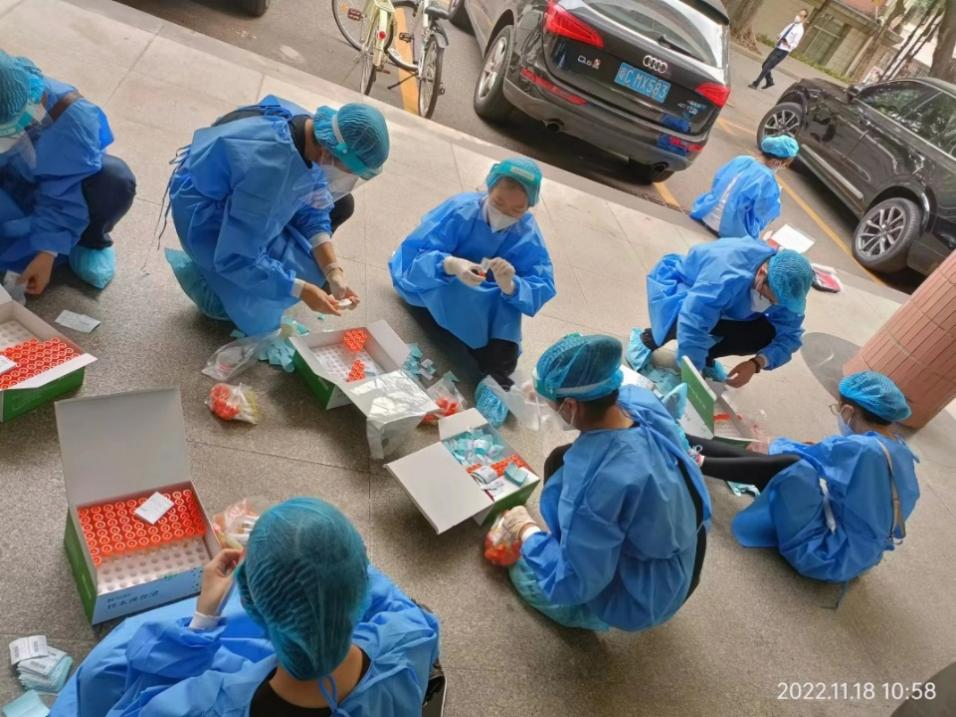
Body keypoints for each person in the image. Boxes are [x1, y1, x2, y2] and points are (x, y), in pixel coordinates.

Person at [52, 497, 441, 716]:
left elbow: (130, 696)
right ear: (358, 585)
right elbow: (384, 594)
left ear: (250, 603)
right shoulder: (409, 639)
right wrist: (320, 562)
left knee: (106, 666)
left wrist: (202, 619)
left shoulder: (201, 705)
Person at [495, 334, 710, 631]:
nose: (546, 407)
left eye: (549, 403)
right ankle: (583, 544)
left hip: (647, 594)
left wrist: (525, 530)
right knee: (560, 459)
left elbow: (574, 581)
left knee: (537, 579)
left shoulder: (599, 484)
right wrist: (543, 391)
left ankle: (597, 609)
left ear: (571, 406)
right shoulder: (637, 400)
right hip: (688, 547)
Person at [167, 98, 388, 336]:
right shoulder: (272, 173)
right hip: (204, 221)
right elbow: (237, 255)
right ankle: (214, 291)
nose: (346, 177)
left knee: (339, 211)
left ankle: (257, 280)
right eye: (349, 171)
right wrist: (300, 289)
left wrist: (333, 270)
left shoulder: (311, 130)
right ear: (329, 153)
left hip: (231, 193)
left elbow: (313, 205)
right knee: (297, 275)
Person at [689, 372, 919, 583]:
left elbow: (801, 455)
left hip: (826, 553)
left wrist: (771, 443)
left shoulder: (863, 449)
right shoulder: (899, 451)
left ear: (848, 412)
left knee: (790, 467)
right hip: (858, 555)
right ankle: (689, 445)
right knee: (790, 465)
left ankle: (693, 460)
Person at [389, 157, 555, 389]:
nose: (504, 214)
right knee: (455, 288)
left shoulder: (528, 234)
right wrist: (451, 265)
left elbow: (542, 283)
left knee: (504, 338)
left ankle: (495, 376)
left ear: (529, 207)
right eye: (498, 202)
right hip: (442, 283)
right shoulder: (460, 210)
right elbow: (414, 255)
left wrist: (511, 285)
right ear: (488, 188)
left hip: (487, 296)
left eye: (517, 210)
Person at [0, 51, 135, 293]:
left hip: (64, 194)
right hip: (11, 187)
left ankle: (89, 240)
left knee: (113, 179)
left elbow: (64, 192)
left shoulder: (70, 118)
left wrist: (48, 252)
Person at [628, 238, 813, 387]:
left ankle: (708, 356)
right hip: (685, 290)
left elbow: (790, 337)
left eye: (777, 302)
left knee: (765, 334)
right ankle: (647, 339)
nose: (772, 304)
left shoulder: (785, 289)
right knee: (682, 317)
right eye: (769, 297)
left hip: (730, 307)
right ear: (762, 274)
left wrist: (756, 364)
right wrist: (692, 372)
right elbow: (694, 318)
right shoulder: (726, 273)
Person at [689, 136, 800, 239]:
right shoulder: (767, 179)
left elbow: (718, 180)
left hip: (705, 213)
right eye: (784, 165)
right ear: (777, 162)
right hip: (730, 230)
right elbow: (765, 213)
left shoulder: (740, 160)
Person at [749, 9, 809, 90]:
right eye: (799, 14)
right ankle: (770, 81)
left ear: (804, 18)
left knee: (767, 66)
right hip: (778, 47)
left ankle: (755, 84)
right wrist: (780, 36)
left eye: (801, 16)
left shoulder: (800, 30)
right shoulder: (792, 24)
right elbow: (783, 33)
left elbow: (795, 44)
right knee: (764, 65)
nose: (798, 16)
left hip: (783, 51)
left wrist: (787, 44)